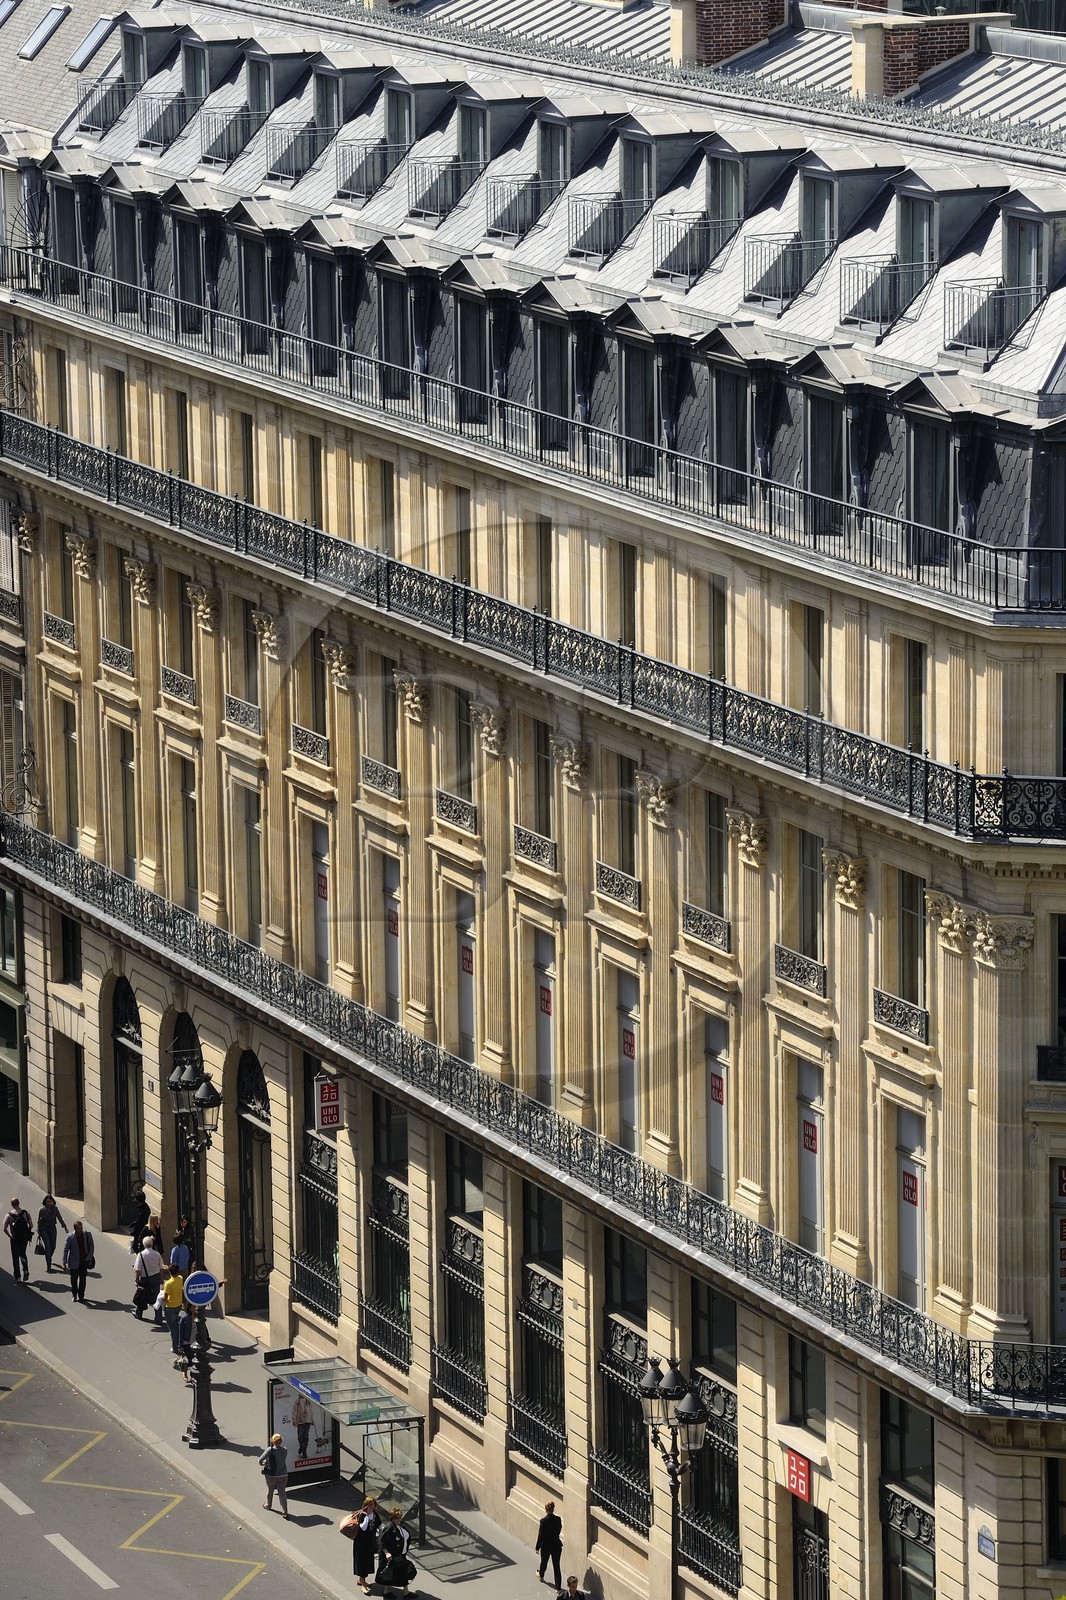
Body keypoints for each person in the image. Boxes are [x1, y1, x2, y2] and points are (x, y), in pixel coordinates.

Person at [376, 1506, 414, 1598]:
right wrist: (387, 1553)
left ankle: (406, 1593)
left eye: (400, 1517)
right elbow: (381, 1541)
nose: (399, 1520)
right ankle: (386, 1592)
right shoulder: (389, 1527)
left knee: (402, 1572)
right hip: (392, 1556)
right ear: (392, 1518)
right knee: (390, 1574)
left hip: (401, 1554)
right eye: (396, 1518)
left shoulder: (401, 1525)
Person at [352, 1496, 381, 1594]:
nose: (372, 1507)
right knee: (362, 1563)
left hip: (370, 1543)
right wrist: (367, 1517)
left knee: (367, 1562)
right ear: (365, 1506)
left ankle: (361, 1581)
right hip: (360, 1544)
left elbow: (380, 1526)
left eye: (373, 1505)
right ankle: (363, 1585)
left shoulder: (375, 1515)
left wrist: (382, 1534)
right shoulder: (362, 1515)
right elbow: (363, 1528)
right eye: (370, 1505)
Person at [132, 1234, 164, 1321]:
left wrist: (136, 1279)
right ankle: (159, 1318)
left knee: (142, 1296)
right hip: (156, 1277)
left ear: (144, 1245)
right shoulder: (157, 1254)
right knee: (157, 1298)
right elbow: (161, 1267)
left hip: (144, 1279)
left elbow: (138, 1269)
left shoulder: (141, 1255)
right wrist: (161, 1278)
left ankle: (139, 1313)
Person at [62, 1218, 94, 1303]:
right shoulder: (70, 1237)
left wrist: (89, 1257)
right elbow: (66, 1249)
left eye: (81, 1228)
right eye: (79, 1228)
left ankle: (81, 1295)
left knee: (83, 1279)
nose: (81, 1230)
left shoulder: (87, 1235)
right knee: (74, 1279)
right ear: (75, 1229)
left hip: (84, 1261)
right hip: (74, 1261)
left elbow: (91, 1247)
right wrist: (64, 1262)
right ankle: (74, 1294)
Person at [259, 1432, 289, 1518]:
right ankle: (285, 1511)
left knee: (270, 1490)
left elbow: (260, 1460)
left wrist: (263, 1464)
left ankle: (268, 1505)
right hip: (283, 1475)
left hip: (272, 1476)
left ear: (273, 1441)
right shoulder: (285, 1450)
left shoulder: (269, 1450)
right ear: (281, 1441)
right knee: (282, 1493)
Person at [4, 1197, 33, 1282]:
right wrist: (27, 1232)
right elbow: (31, 1225)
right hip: (24, 1238)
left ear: (12, 1205)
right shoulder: (26, 1213)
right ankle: (26, 1270)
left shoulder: (8, 1215)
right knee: (23, 1253)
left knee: (15, 1257)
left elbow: (4, 1229)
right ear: (19, 1203)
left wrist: (10, 1235)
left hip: (15, 1239)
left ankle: (18, 1276)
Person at [536, 1500, 563, 1589]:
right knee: (556, 1566)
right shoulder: (558, 1520)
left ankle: (541, 1575)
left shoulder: (543, 1521)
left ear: (546, 1509)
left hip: (546, 1545)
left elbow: (541, 1535)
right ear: (553, 1508)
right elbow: (558, 1530)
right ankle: (558, 1587)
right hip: (556, 1545)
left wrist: (537, 1547)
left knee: (544, 1562)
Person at [36, 1195, 65, 1273]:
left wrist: (64, 1226)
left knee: (53, 1246)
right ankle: (48, 1265)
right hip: (44, 1229)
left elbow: (59, 1217)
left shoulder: (55, 1209)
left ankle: (49, 1257)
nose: (49, 1203)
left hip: (52, 1228)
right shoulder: (41, 1210)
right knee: (48, 1247)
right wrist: (38, 1231)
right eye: (47, 1201)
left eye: (50, 1201)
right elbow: (39, 1221)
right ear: (45, 1202)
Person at [162, 1262, 185, 1353]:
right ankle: (180, 1343)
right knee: (176, 1324)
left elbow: (165, 1298)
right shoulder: (180, 1278)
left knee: (173, 1328)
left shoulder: (168, 1283)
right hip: (178, 1305)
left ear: (169, 1272)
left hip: (170, 1307)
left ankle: (175, 1347)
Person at [291, 1390, 314, 1459]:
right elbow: (294, 1411)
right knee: (300, 1436)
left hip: (307, 1421)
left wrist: (312, 1420)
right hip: (300, 1421)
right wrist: (294, 1420)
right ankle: (301, 1445)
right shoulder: (297, 1401)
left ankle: (304, 1452)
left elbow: (310, 1411)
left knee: (306, 1436)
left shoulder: (308, 1401)